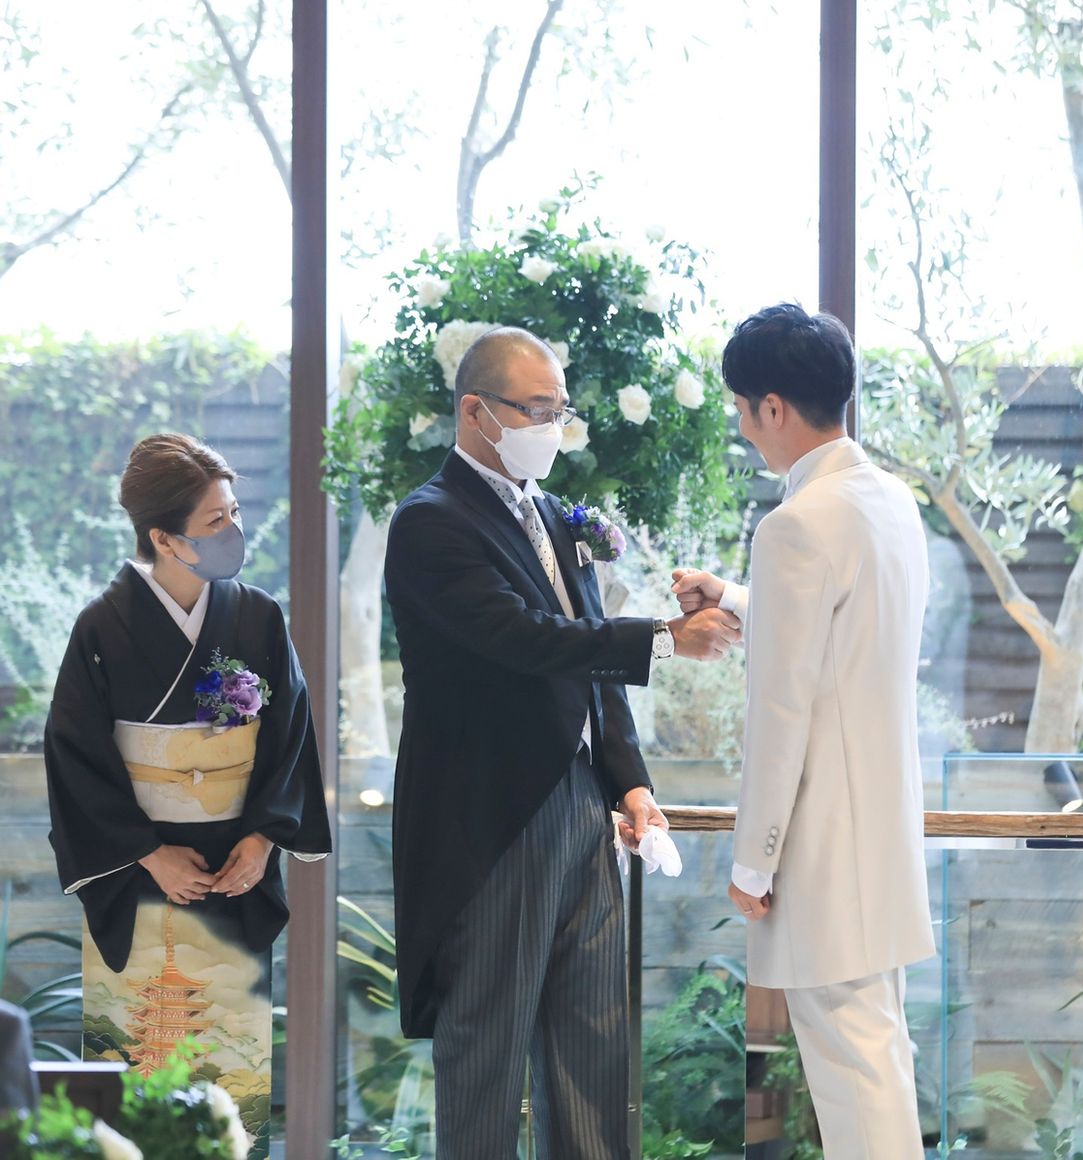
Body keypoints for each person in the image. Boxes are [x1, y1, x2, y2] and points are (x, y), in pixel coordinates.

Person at [385, 326, 741, 1159]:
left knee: (593, 1045)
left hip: (583, 804)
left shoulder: (553, 515)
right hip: (494, 817)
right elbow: (522, 637)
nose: (553, 427)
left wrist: (629, 782)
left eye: (559, 410)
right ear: (475, 412)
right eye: (535, 410)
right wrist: (664, 637)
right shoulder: (430, 521)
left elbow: (589, 664)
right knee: (487, 1052)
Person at [674, 304, 935, 1158]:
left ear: (774, 406)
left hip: (824, 850)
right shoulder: (888, 501)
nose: (744, 428)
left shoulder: (795, 525)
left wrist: (753, 860)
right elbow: (845, 638)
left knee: (856, 1076)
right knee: (878, 1061)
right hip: (882, 835)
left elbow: (781, 709)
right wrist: (737, 599)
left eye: (743, 409)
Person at [44, 433, 332, 1157]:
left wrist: (263, 838)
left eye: (234, 512)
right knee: (138, 1069)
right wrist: (147, 853)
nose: (234, 530)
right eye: (215, 520)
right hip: (140, 871)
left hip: (236, 867)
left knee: (232, 1078)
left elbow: (290, 732)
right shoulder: (101, 626)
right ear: (164, 538)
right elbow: (74, 755)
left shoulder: (257, 616)